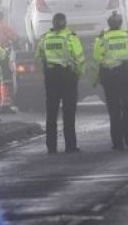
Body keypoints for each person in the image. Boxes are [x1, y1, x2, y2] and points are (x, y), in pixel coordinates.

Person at [93, 11, 128, 150]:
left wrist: (95, 80)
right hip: (127, 75)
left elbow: (96, 61)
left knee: (114, 110)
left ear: (109, 23)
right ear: (121, 23)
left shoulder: (102, 39)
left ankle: (117, 143)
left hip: (110, 78)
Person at [35, 13, 85, 153]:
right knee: (69, 112)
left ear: (53, 23)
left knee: (51, 113)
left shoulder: (45, 38)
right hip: (68, 77)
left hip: (51, 78)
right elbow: (79, 58)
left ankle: (51, 147)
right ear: (65, 23)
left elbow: (38, 56)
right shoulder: (70, 37)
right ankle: (70, 145)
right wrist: (79, 73)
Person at [0, 10, 19, 113]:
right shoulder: (3, 27)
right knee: (6, 80)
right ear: (1, 17)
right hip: (3, 55)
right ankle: (6, 104)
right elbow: (14, 37)